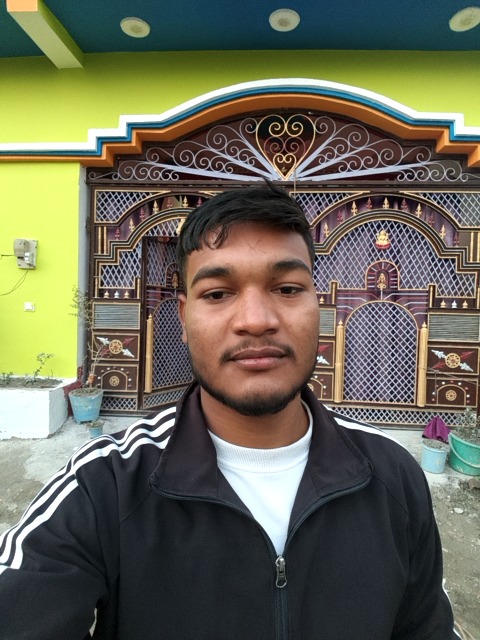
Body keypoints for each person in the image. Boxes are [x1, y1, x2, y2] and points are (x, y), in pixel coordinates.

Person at [0, 184, 457, 639]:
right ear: (183, 317)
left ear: (318, 305)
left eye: (287, 288)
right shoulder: (105, 485)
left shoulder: (392, 475)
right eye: (218, 293)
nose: (255, 320)